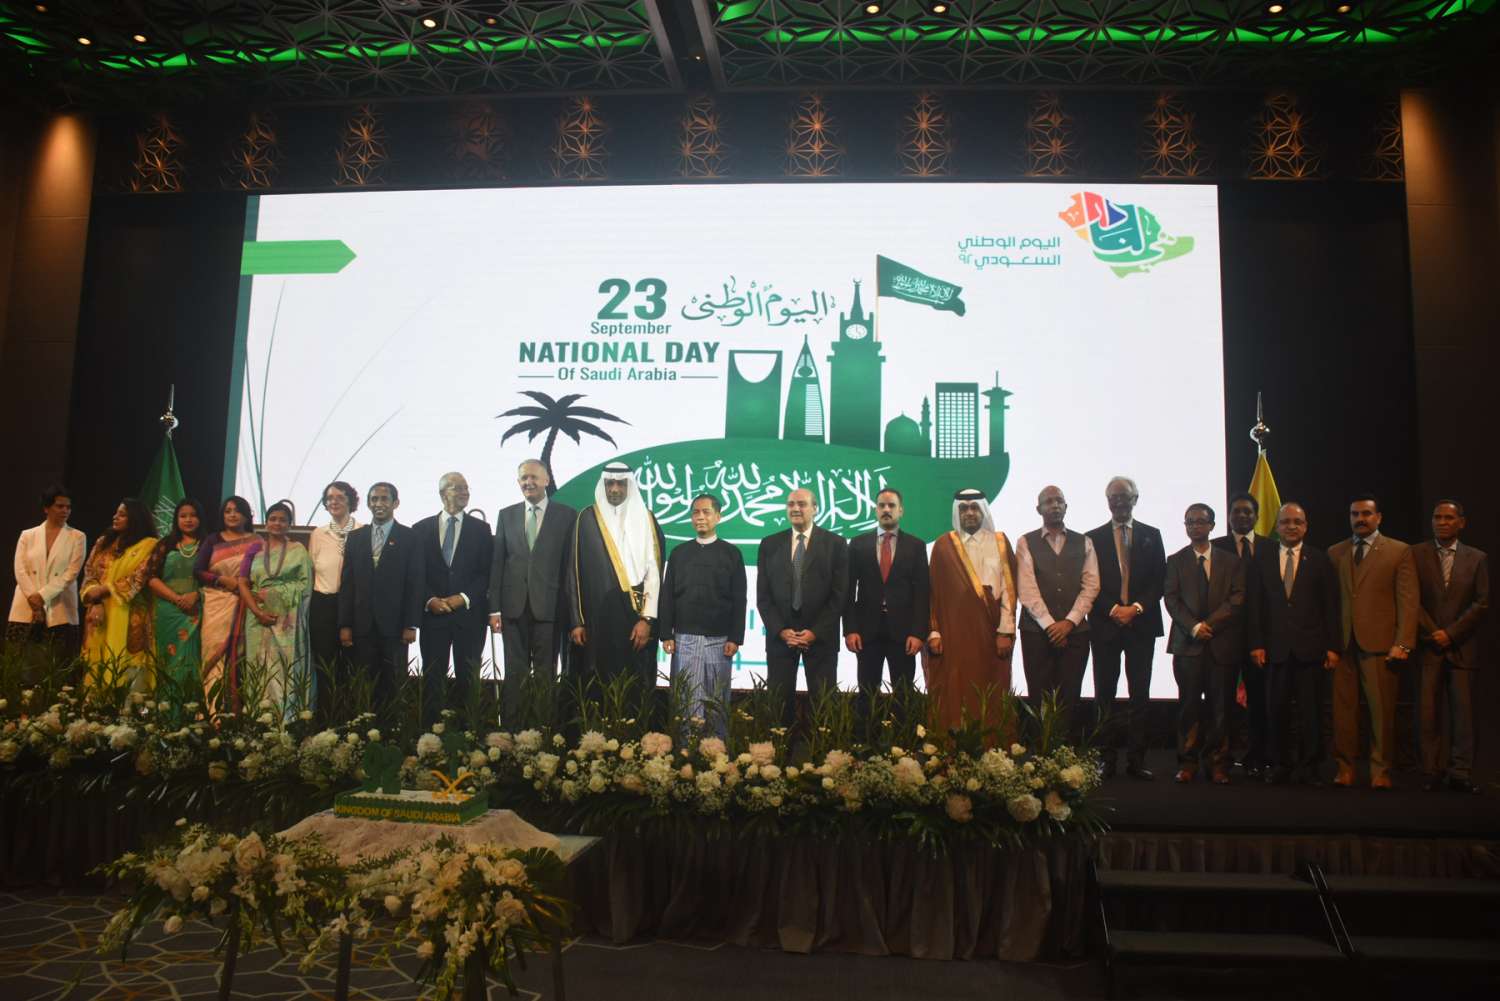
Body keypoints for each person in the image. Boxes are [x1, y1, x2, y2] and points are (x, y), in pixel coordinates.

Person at [1327, 493, 1418, 790]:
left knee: (1381, 712)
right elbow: (1329, 603)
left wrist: (1403, 643)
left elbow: (1408, 600)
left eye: (1366, 514)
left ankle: (1381, 770)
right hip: (1343, 645)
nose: (1360, 519)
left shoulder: (1398, 551)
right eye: (1355, 514)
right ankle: (1345, 768)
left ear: (1378, 517)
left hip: (1381, 644)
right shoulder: (1335, 552)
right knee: (1343, 713)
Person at [1247, 503, 1341, 786]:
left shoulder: (1320, 559)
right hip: (1274, 649)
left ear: (1306, 526)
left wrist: (1333, 646)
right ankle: (1280, 765)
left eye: (1297, 522)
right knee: (1276, 710)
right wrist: (1256, 644)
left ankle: (1310, 767)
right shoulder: (1262, 559)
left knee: (1311, 713)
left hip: (1311, 650)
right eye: (1285, 522)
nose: (1291, 526)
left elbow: (1331, 606)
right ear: (1277, 527)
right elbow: (1255, 606)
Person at [1086, 476, 1166, 780]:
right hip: (1105, 625)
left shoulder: (1152, 535)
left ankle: (1136, 760)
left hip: (1141, 625)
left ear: (1136, 499)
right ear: (1107, 501)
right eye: (1114, 497)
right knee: (1103, 695)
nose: (1119, 502)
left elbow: (1159, 580)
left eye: (1125, 496)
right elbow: (1089, 582)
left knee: (1139, 695)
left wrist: (1136, 608)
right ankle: (1105, 760)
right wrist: (1113, 609)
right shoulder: (1092, 538)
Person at [565, 463, 666, 698]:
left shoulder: (646, 519)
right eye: (610, 483)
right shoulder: (586, 518)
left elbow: (654, 573)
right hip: (596, 622)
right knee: (595, 684)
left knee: (634, 685)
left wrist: (647, 620)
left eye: (621, 483)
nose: (614, 489)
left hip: (634, 619)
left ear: (629, 485)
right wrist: (577, 621)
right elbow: (573, 572)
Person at [488, 459, 576, 725]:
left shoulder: (567, 515)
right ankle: (513, 731)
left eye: (534, 477)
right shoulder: (506, 514)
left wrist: (572, 614)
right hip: (513, 608)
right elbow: (498, 563)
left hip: (550, 608)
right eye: (524, 478)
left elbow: (570, 567)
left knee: (546, 673)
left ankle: (542, 732)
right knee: (515, 673)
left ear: (546, 480)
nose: (529, 482)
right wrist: (494, 608)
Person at [1163, 503, 1245, 784]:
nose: (1195, 526)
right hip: (1188, 646)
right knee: (1188, 707)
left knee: (1220, 707)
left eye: (1200, 521)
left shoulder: (1231, 561)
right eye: (1189, 522)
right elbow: (1171, 599)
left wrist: (1210, 624)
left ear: (1212, 525)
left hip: (1221, 644)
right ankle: (1187, 763)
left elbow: (1237, 598)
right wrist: (1195, 627)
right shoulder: (1175, 560)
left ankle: (1217, 764)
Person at [922, 488, 1015, 735]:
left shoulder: (1000, 542)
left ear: (983, 510)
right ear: (957, 512)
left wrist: (1005, 632)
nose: (970, 513)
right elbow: (932, 594)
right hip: (953, 635)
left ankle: (992, 750)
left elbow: (1009, 591)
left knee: (991, 689)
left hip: (991, 634)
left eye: (975, 507)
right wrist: (933, 632)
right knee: (955, 688)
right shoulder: (943, 546)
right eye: (964, 508)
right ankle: (952, 747)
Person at [756, 488, 849, 733]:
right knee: (778, 706)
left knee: (824, 706)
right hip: (781, 639)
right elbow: (763, 597)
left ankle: (823, 754)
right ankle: (779, 754)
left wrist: (815, 632)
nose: (795, 508)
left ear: (815, 508)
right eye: (790, 504)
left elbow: (839, 596)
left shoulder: (836, 544)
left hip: (820, 638)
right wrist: (780, 631)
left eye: (802, 504)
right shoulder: (769, 544)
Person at [1413, 500, 1489, 793]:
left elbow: (1482, 603)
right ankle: (1430, 771)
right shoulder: (1416, 554)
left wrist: (1451, 633)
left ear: (1461, 522)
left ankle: (1460, 772)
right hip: (1428, 645)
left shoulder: (1477, 558)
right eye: (1437, 517)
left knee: (1463, 715)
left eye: (1448, 517)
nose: (1442, 522)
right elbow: (1410, 598)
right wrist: (1434, 632)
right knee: (1427, 713)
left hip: (1462, 647)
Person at [659, 493, 746, 740]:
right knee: (686, 701)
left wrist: (735, 638)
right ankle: (684, 752)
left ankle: (716, 754)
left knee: (717, 703)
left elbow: (739, 599)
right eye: (696, 512)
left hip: (720, 640)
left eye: (706, 512)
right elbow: (667, 596)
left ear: (718, 517)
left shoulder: (732, 553)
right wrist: (666, 634)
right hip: (684, 639)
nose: (700, 517)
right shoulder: (679, 553)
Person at [1016, 485, 1100, 734]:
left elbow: (1091, 585)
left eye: (1059, 501)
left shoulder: (1084, 542)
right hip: (1035, 632)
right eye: (1048, 502)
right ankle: (1041, 749)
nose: (1054, 505)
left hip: (1075, 632)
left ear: (1066, 506)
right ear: (1038, 509)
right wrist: (1051, 625)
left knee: (1070, 694)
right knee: (1038, 694)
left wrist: (1069, 622)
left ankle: (1065, 750)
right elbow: (1027, 589)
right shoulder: (1025, 542)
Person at [845, 488, 930, 729]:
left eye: (891, 505)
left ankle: (903, 745)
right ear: (876, 510)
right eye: (881, 505)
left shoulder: (916, 546)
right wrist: (850, 629)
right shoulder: (858, 544)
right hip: (866, 632)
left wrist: (918, 633)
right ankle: (864, 746)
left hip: (903, 634)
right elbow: (848, 591)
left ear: (901, 511)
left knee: (903, 695)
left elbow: (922, 594)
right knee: (866, 693)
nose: (886, 509)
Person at [413, 472, 493, 726]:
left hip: (469, 617)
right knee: (433, 680)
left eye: (466, 488)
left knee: (468, 681)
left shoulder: (481, 529)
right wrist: (430, 599)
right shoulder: (421, 529)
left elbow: (486, 573)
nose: (464, 492)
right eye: (457, 488)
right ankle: (431, 735)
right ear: (442, 494)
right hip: (433, 617)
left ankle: (468, 734)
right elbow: (416, 574)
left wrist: (463, 597)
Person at [339, 482, 422, 713]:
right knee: (363, 686)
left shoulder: (409, 537)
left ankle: (393, 731)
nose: (379, 504)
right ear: (368, 503)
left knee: (393, 685)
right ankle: (363, 730)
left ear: (396, 503)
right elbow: (347, 584)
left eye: (384, 499)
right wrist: (345, 624)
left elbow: (415, 583)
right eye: (374, 499)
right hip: (362, 626)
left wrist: (411, 624)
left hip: (395, 627)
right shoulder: (355, 537)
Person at [1213, 490, 1270, 777]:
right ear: (1228, 516)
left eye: (1248, 511)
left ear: (1257, 516)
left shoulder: (1271, 547)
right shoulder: (1215, 546)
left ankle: (1257, 757)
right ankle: (1223, 758)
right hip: (1223, 637)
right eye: (1237, 511)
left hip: (1260, 639)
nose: (1242, 515)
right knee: (1223, 702)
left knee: (1259, 701)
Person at [239, 502, 313, 714]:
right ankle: (259, 718)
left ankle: (287, 718)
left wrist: (274, 595)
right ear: (266, 522)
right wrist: (257, 611)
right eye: (273, 519)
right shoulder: (255, 550)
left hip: (287, 619)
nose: (277, 523)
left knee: (283, 667)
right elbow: (243, 583)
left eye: (282, 520)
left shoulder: (298, 550)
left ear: (290, 524)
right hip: (257, 617)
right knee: (258, 667)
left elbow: (305, 585)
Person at [80, 497, 158, 692]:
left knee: (129, 669)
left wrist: (104, 590)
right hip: (99, 614)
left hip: (131, 614)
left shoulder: (149, 545)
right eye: (116, 513)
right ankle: (97, 708)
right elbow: (90, 573)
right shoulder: (103, 542)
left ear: (135, 518)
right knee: (96, 668)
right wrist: (96, 601)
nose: (115, 517)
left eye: (122, 514)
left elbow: (139, 576)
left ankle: (131, 708)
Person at [194, 496, 261, 712]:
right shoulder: (213, 540)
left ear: (247, 515)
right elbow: (198, 571)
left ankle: (239, 714)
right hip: (217, 602)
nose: (232, 515)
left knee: (243, 656)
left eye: (237, 511)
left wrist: (244, 586)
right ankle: (213, 713)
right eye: (228, 511)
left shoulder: (258, 542)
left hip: (247, 604)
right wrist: (222, 580)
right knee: (213, 653)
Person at [8, 483, 85, 652]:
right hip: (26, 604)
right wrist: (33, 599)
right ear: (46, 508)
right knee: (19, 660)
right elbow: (20, 569)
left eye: (68, 507)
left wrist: (42, 596)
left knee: (56, 662)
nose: (65, 510)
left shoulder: (77, 537)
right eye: (60, 506)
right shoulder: (27, 535)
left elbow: (71, 573)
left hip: (60, 607)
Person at [308, 481, 359, 713]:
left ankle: (350, 719)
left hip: (353, 606)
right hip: (323, 605)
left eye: (340, 497)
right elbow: (312, 570)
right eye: (329, 498)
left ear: (350, 500)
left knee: (351, 665)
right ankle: (325, 719)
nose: (334, 502)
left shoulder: (363, 530)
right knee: (325, 666)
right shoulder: (318, 534)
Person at [146, 498, 204, 702]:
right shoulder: (165, 544)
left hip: (197, 611)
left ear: (200, 518)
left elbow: (215, 576)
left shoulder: (209, 544)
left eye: (193, 515)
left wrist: (197, 595)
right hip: (167, 611)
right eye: (183, 516)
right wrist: (177, 598)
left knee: (192, 660)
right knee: (168, 662)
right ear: (176, 519)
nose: (188, 520)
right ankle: (166, 711)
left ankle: (190, 711)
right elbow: (151, 578)